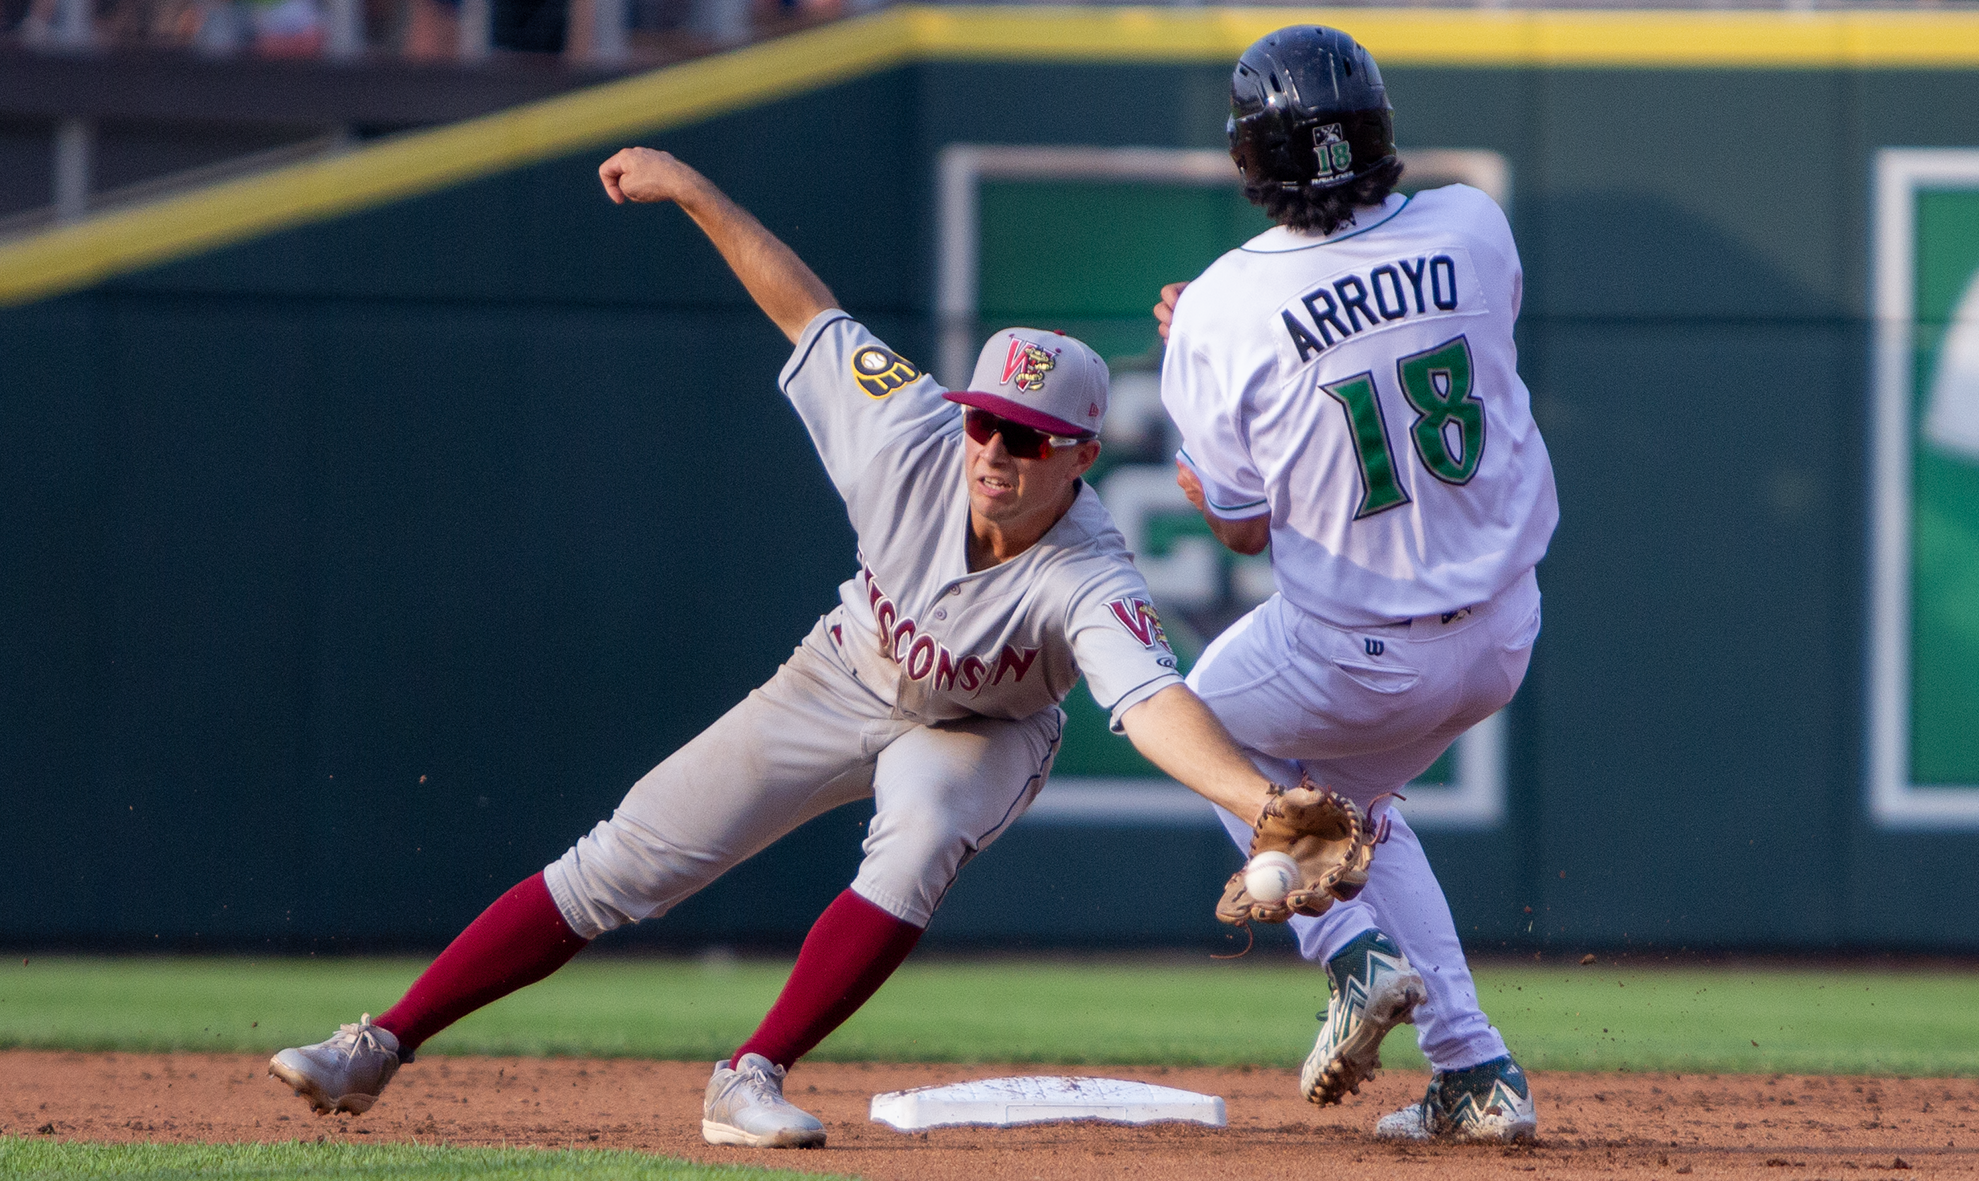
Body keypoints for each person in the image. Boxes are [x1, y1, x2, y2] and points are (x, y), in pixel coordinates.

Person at [268, 145, 1303, 1150]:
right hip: (844, 669)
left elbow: (1152, 702)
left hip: (981, 728)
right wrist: (690, 189)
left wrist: (1262, 804)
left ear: (1081, 453)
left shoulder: (1090, 572)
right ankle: (379, 1042)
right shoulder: (907, 433)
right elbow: (807, 308)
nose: (994, 448)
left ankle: (750, 1071)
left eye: (1027, 436)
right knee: (617, 860)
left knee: (923, 829)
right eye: (986, 420)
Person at [1153, 25, 1558, 1143]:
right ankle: (1477, 1072)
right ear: (1377, 129)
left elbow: (1237, 527)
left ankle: (1350, 954)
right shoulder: (1475, 221)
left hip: (1356, 649)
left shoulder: (1225, 307)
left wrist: (1201, 350)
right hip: (1506, 628)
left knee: (1190, 724)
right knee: (1357, 813)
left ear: (1250, 158)